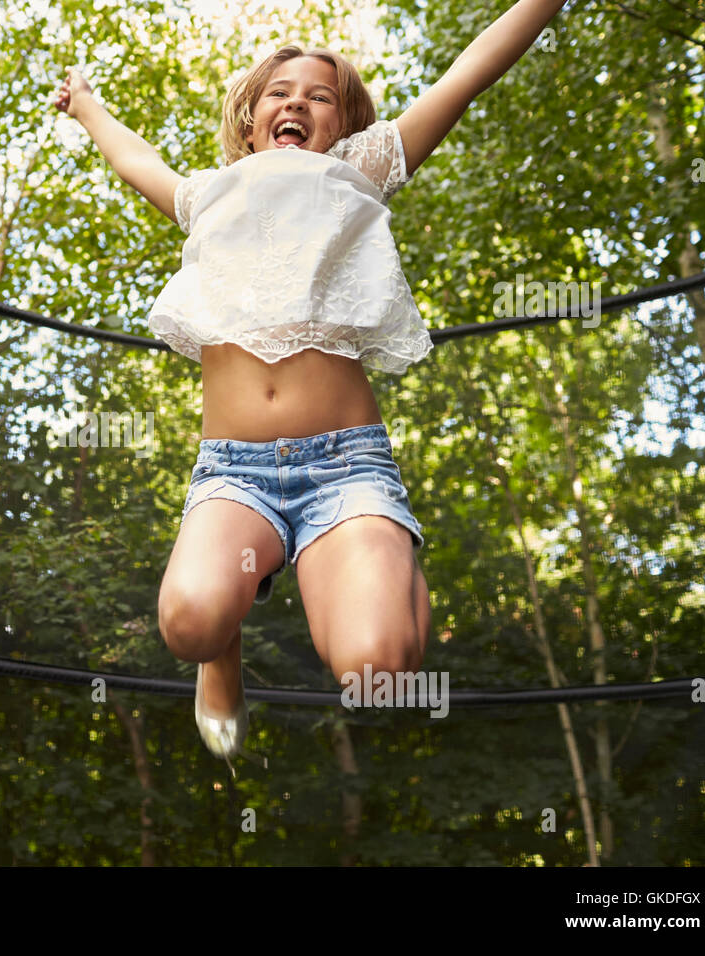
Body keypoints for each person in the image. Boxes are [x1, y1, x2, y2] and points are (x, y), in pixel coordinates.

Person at [54, 0, 571, 777]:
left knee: (378, 675)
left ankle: (388, 565)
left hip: (345, 471)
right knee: (190, 625)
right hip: (235, 475)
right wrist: (87, 106)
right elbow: (137, 161)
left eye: (319, 95)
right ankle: (221, 654)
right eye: (280, 92)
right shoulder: (207, 198)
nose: (297, 101)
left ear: (345, 124)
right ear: (253, 120)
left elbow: (469, 74)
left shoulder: (358, 171)